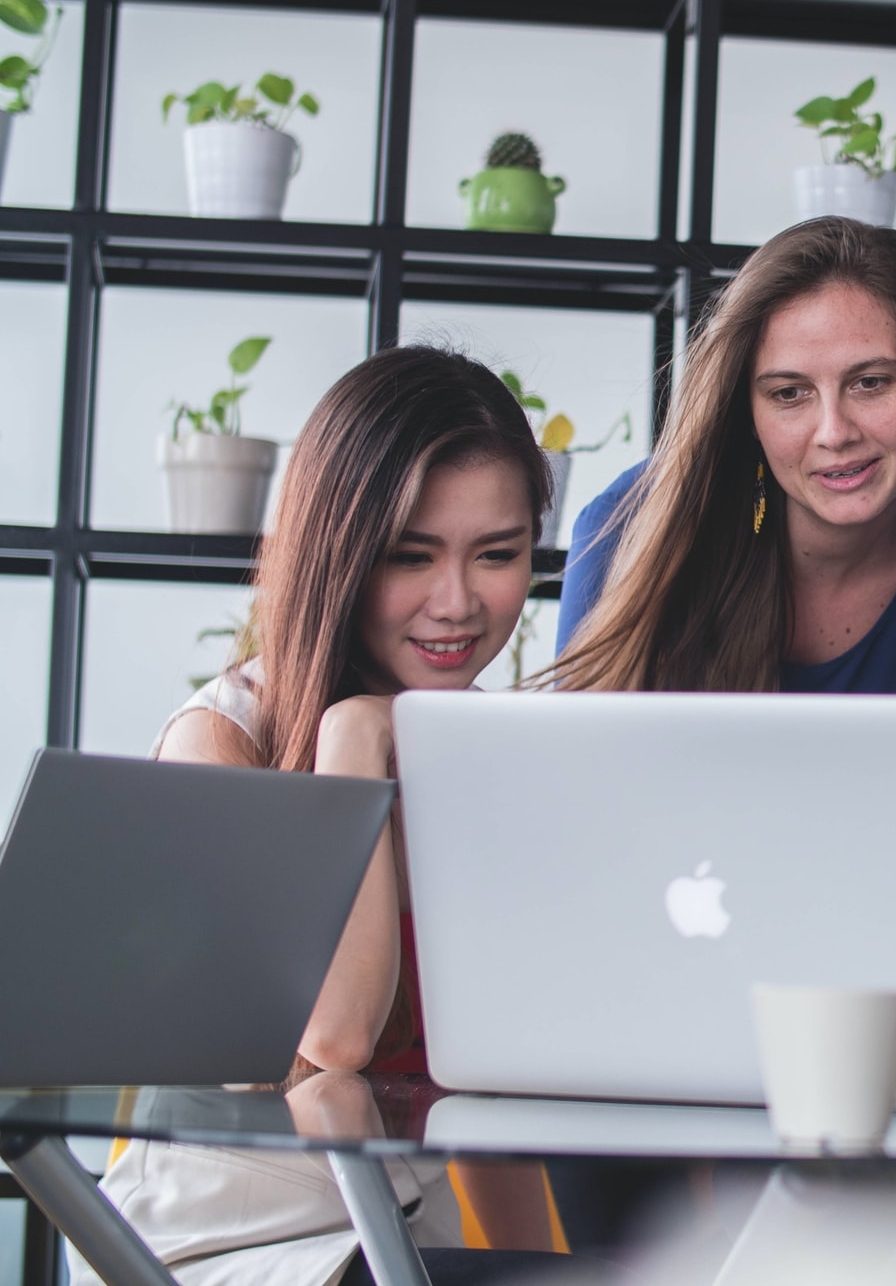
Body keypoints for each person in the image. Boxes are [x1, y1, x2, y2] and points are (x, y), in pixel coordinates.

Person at [82, 346, 607, 1286]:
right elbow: (331, 1041)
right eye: (412, 556)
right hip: (235, 1243)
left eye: (498, 554)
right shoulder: (219, 740)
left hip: (404, 1238)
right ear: (339, 552)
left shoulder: (479, 758)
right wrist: (355, 741)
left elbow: (486, 1103)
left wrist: (561, 1270)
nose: (459, 603)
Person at [554, 216, 896, 722]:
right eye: (789, 393)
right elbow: (580, 778)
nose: (834, 432)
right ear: (749, 411)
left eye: (870, 382)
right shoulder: (630, 525)